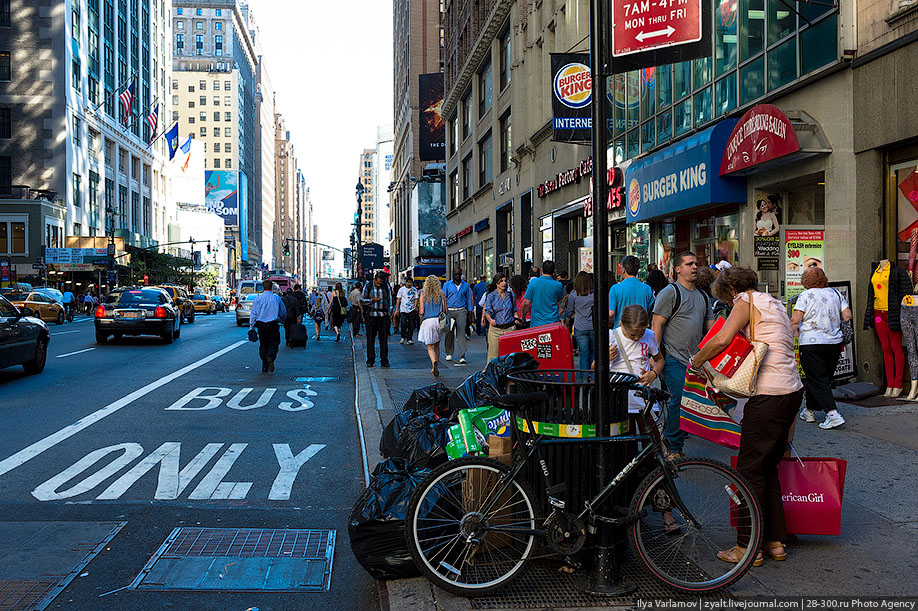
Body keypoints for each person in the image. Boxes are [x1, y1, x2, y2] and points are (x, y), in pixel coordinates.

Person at [690, 266, 803, 567]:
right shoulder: (774, 302)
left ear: (729, 291)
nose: (728, 305)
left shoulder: (745, 301)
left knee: (749, 470)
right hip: (791, 392)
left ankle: (747, 547)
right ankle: (775, 541)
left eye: (725, 300)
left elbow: (723, 339)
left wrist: (697, 360)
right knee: (768, 467)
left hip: (768, 394)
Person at [651, 251, 715, 459]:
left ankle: (678, 430)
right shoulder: (670, 293)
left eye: (696, 263)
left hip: (695, 360)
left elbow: (712, 329)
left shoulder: (704, 296)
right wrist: (656, 357)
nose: (694, 267)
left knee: (690, 400)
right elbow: (657, 325)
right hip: (672, 358)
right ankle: (673, 447)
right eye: (689, 264)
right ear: (677, 269)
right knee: (680, 397)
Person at [791, 267, 852, 429]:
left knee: (817, 378)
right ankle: (809, 411)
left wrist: (794, 334)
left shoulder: (804, 296)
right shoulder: (835, 293)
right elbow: (847, 315)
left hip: (811, 343)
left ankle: (832, 414)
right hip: (834, 343)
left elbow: (796, 319)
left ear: (806, 281)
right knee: (821, 378)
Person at [608, 304, 664, 415]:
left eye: (641, 333)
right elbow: (594, 367)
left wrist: (653, 374)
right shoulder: (611, 337)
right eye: (633, 335)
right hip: (619, 399)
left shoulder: (649, 335)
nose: (637, 338)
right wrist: (605, 358)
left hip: (644, 399)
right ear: (622, 324)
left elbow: (660, 360)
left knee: (649, 430)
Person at [249, 279, 286, 373]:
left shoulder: (258, 298)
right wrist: (282, 320)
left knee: (263, 344)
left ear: (263, 287)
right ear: (271, 287)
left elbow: (253, 313)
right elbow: (283, 311)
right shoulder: (276, 298)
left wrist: (251, 326)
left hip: (261, 324)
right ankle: (271, 357)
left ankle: (264, 365)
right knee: (274, 343)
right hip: (273, 324)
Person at [609, 255, 654, 329]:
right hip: (641, 331)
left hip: (621, 332)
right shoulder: (647, 289)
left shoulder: (615, 289)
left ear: (623, 269)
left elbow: (611, 313)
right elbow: (651, 310)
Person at [443, 266, 474, 365]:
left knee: (461, 333)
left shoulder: (465, 286)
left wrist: (470, 312)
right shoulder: (447, 285)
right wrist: (444, 311)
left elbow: (469, 299)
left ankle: (462, 355)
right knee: (449, 332)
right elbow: (443, 299)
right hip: (450, 311)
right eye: (456, 274)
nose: (457, 276)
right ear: (453, 274)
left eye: (459, 274)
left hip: (461, 310)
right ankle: (449, 352)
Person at [418, 275, 448, 376]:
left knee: (430, 346)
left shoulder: (423, 294)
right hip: (438, 321)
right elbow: (445, 310)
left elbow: (421, 311)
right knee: (437, 345)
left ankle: (433, 362)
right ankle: (437, 364)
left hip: (428, 321)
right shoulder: (441, 293)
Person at [484, 273, 517, 362]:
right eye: (501, 281)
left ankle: (507, 375)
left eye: (505, 281)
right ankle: (491, 374)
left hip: (510, 329)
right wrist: (490, 320)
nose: (504, 283)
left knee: (509, 356)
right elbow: (487, 311)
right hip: (495, 330)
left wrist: (516, 318)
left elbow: (514, 309)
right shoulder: (491, 296)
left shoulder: (510, 295)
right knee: (493, 357)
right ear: (496, 283)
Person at [564, 271, 595, 370]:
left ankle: (584, 379)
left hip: (580, 327)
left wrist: (567, 321)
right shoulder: (593, 294)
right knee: (593, 353)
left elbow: (569, 311)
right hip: (593, 326)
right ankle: (594, 377)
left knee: (583, 354)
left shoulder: (573, 295)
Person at [362, 272, 393, 367]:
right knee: (370, 339)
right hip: (371, 315)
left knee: (383, 339)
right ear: (375, 280)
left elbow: (390, 300)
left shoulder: (386, 286)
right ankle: (370, 360)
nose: (379, 284)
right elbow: (362, 299)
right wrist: (371, 300)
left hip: (383, 315)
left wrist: (390, 313)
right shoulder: (368, 286)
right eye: (378, 283)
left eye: (381, 283)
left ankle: (384, 360)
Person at [522, 260, 565, 329]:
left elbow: (526, 303)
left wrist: (523, 317)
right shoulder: (558, 285)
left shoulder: (533, 283)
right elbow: (560, 299)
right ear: (554, 271)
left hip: (536, 324)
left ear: (542, 270)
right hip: (553, 323)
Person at [395, 277, 419, 345]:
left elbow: (416, 298)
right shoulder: (401, 290)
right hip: (403, 309)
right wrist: (397, 309)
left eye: (411, 282)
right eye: (408, 282)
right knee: (403, 324)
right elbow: (398, 299)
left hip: (411, 309)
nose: (409, 284)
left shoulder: (414, 289)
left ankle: (409, 339)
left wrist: (415, 306)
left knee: (411, 325)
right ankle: (403, 337)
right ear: (405, 282)